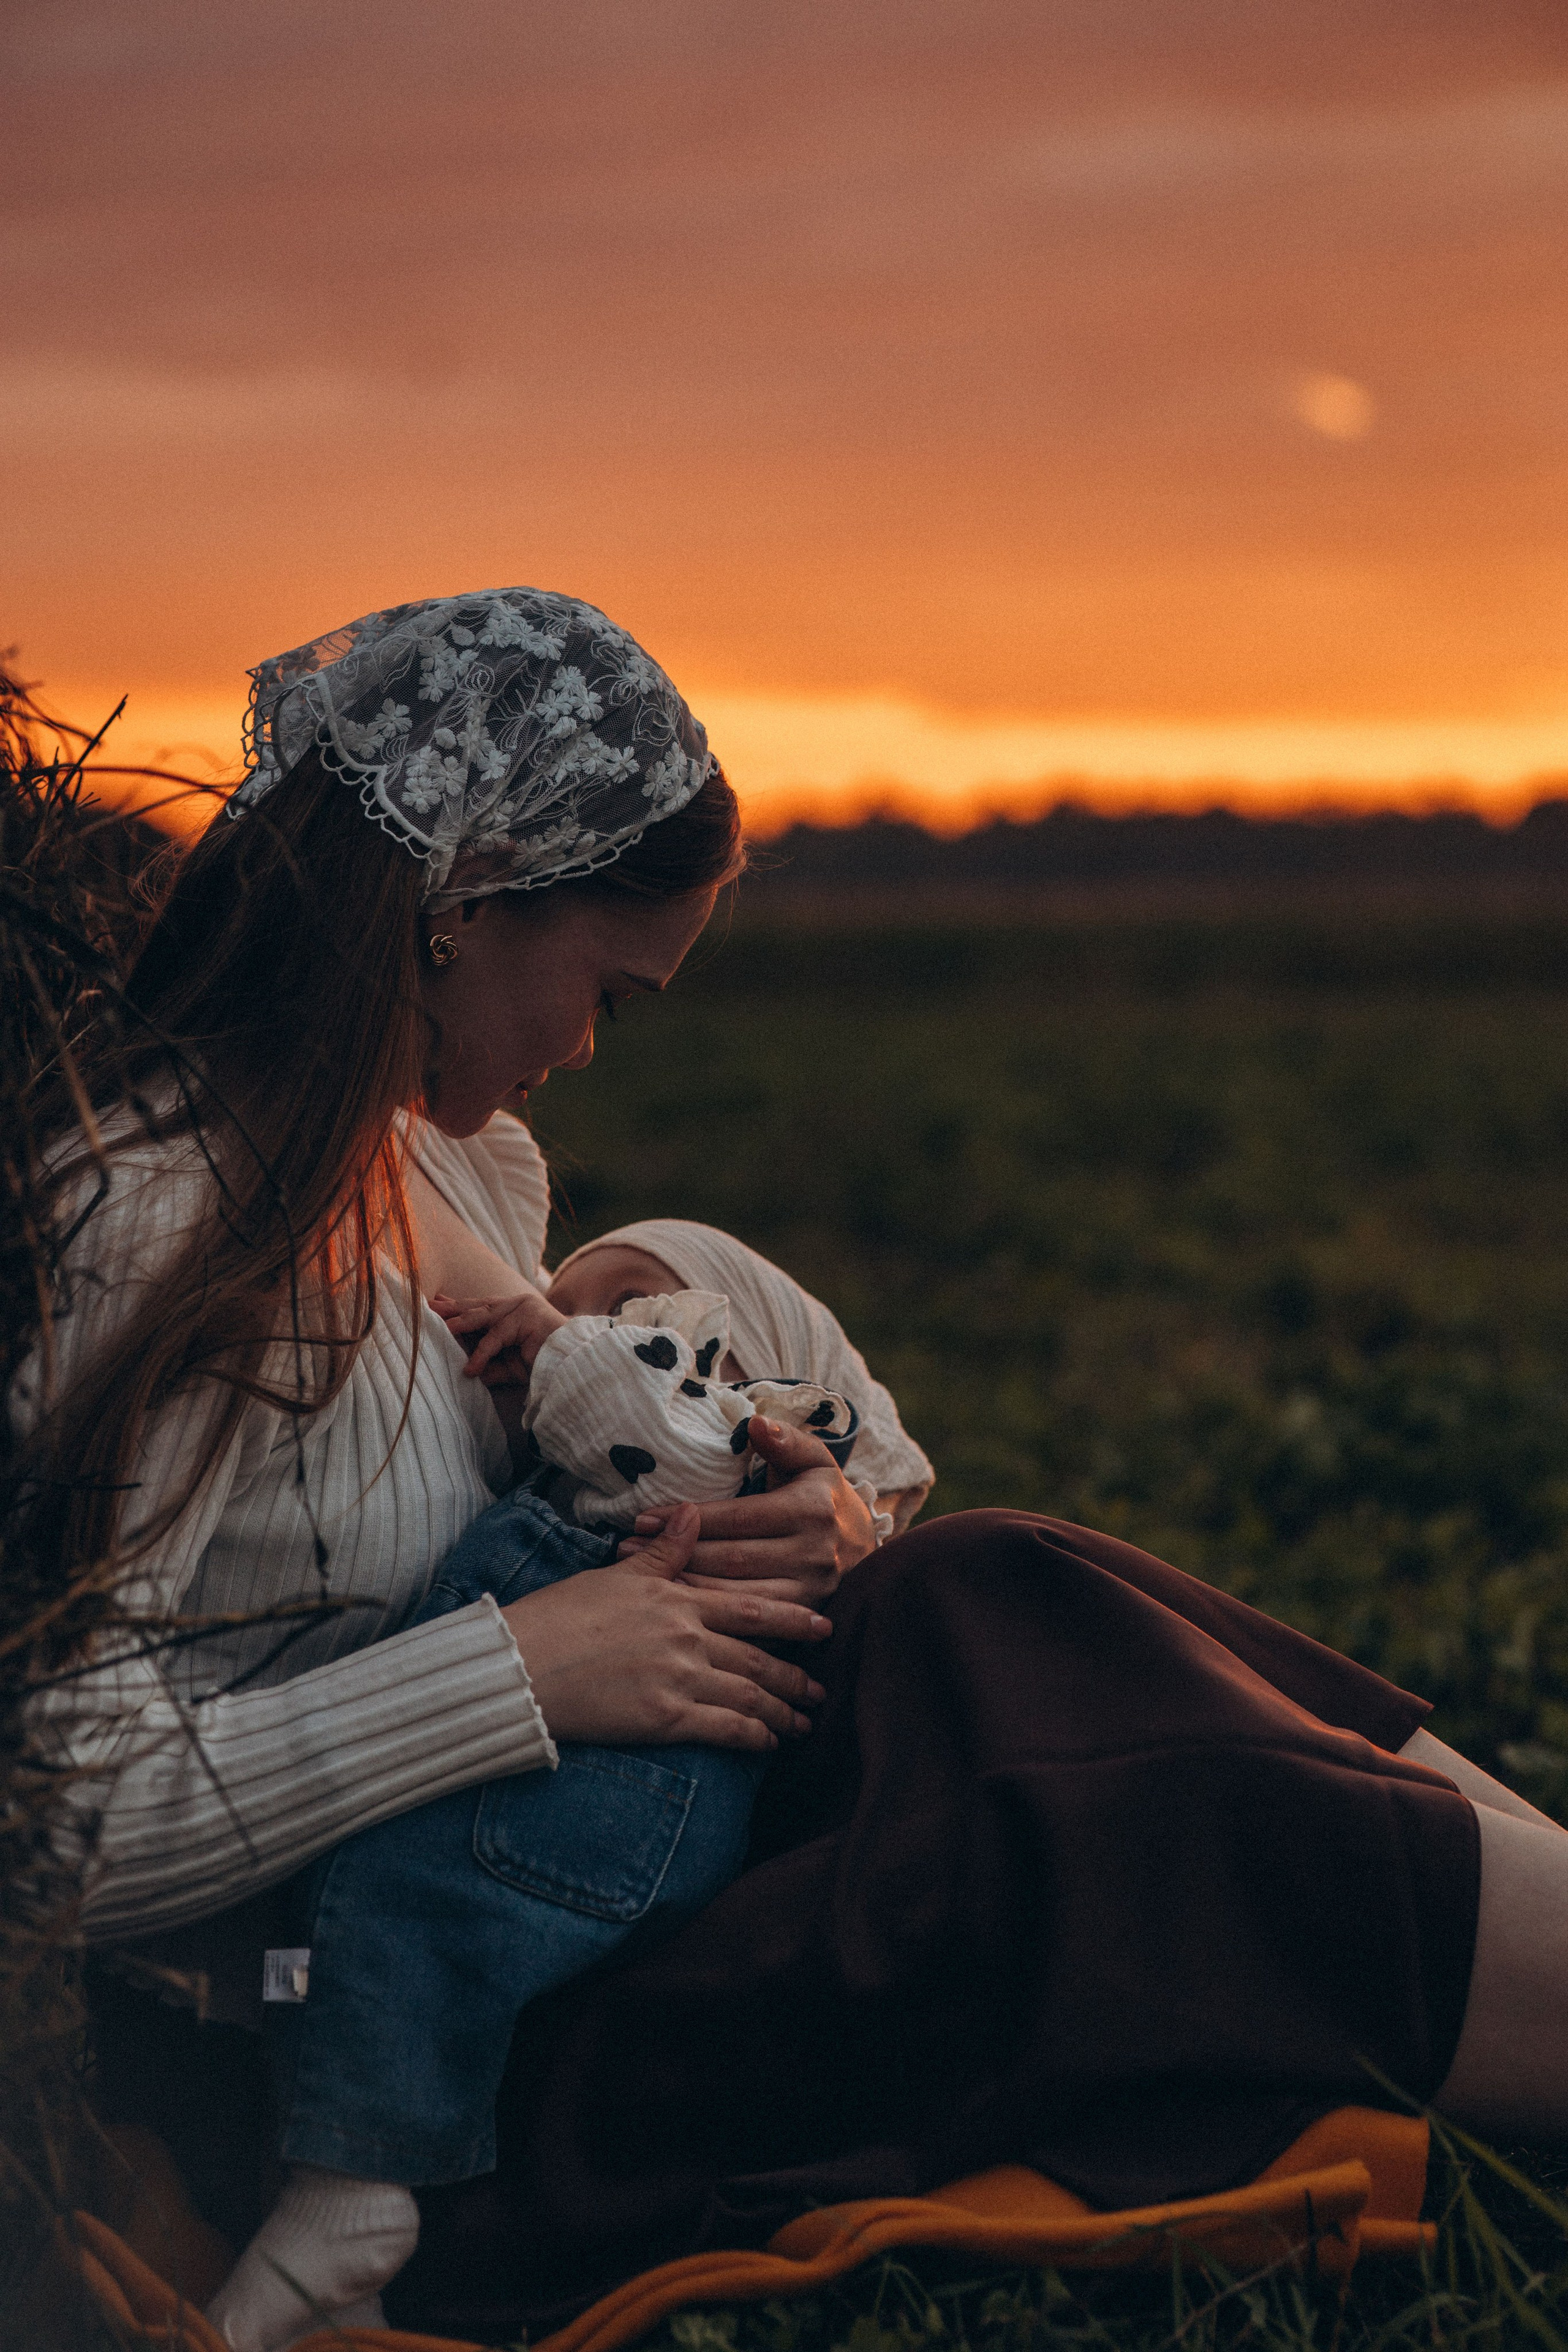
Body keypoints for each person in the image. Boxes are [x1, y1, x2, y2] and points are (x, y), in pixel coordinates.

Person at [20, 586, 1568, 2350]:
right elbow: (46, 1815)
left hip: (565, 1910)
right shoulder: (152, 1222)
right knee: (1069, 1787)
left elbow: (616, 1426)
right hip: (380, 2060)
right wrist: (532, 1666)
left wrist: (800, 1506)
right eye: (605, 984)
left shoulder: (435, 1175)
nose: (590, 1044)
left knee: (1007, 1591)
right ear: (467, 894)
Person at [213, 1240, 931, 2350]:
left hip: (617, 1786)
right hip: (562, 1772)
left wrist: (579, 1349)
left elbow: (670, 1415)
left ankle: (349, 2200)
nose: (560, 1313)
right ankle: (341, 2267)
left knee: (404, 1905)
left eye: (642, 1317)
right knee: (353, 1923)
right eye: (568, 1296)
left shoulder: (689, 1443)